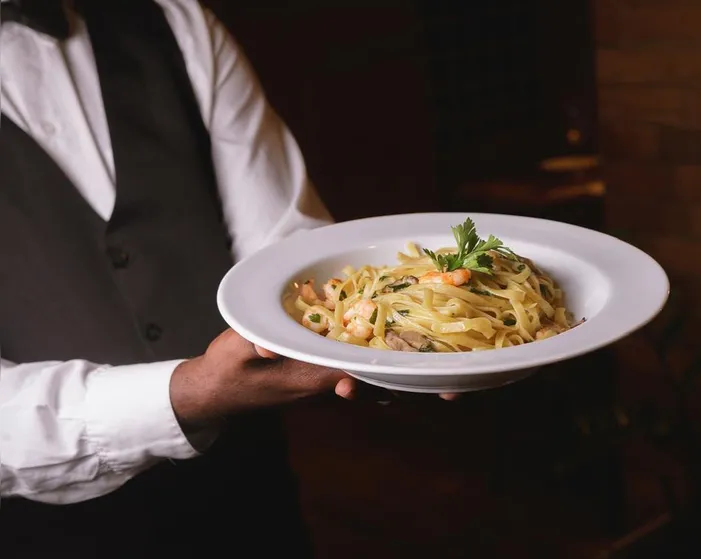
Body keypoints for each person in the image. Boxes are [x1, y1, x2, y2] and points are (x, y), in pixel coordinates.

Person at [0, 1, 457, 557]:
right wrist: (189, 392)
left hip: (249, 487)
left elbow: (285, 248)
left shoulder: (175, 19)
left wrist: (396, 334)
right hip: (48, 527)